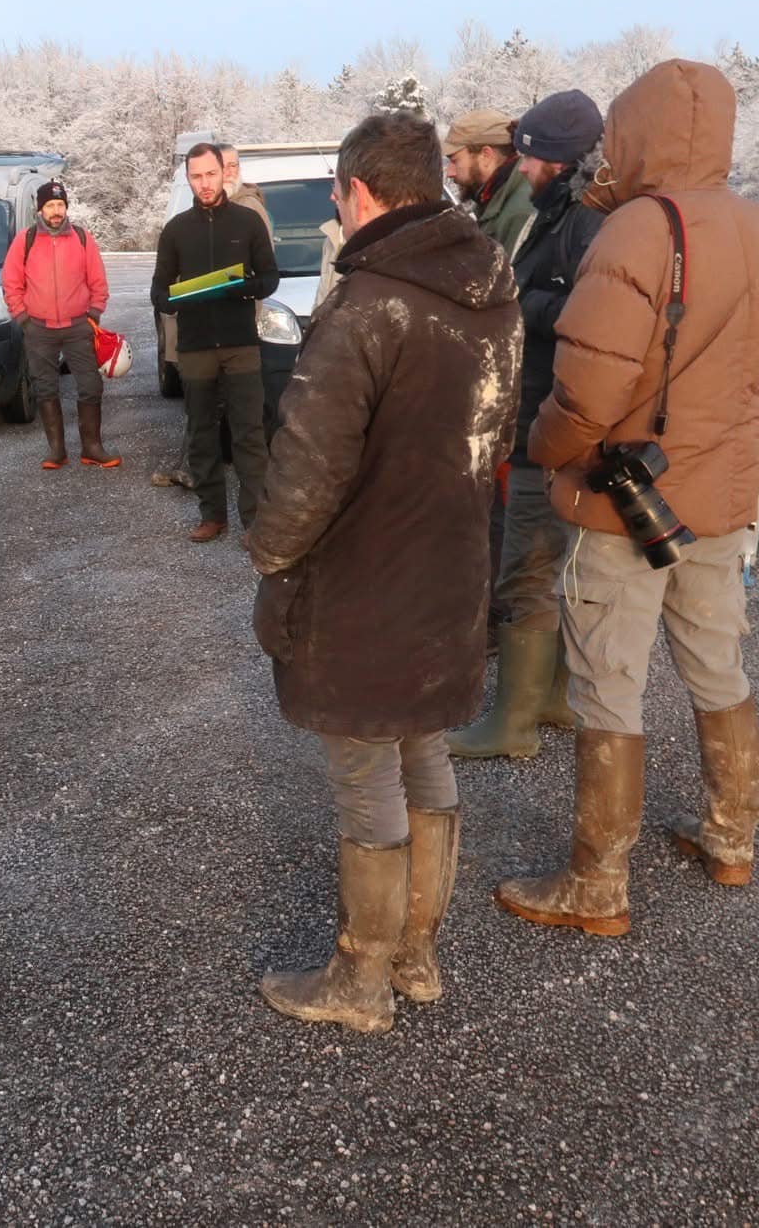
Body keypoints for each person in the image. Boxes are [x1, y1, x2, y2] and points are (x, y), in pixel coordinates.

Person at [496, 60, 759, 936]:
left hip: (622, 500)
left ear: (635, 132)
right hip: (722, 498)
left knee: (608, 681)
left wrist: (546, 452)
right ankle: (730, 837)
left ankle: (599, 884)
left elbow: (586, 390)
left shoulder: (637, 229)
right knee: (718, 664)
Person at [249, 110, 520, 1034]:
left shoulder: (370, 303)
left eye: (336, 190)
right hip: (452, 562)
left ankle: (361, 978)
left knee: (368, 764)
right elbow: (496, 430)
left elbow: (307, 465)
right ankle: (418, 952)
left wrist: (272, 555)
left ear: (358, 191)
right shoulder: (493, 286)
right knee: (425, 748)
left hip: (364, 578)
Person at [450, 90, 605, 760]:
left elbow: (588, 312)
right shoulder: (564, 213)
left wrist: (517, 299)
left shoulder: (583, 223)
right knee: (557, 567)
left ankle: (511, 722)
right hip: (553, 412)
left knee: (529, 566)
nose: (525, 166)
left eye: (535, 158)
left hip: (555, 420)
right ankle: (547, 697)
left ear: (560, 161)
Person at [152, 142, 278, 542]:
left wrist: (238, 289)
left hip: (241, 341)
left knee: (249, 434)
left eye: (210, 174)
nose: (204, 184)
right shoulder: (175, 230)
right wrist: (184, 296)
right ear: (188, 178)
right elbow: (158, 294)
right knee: (202, 433)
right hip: (195, 346)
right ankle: (212, 516)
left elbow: (270, 278)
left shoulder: (247, 222)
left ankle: (254, 521)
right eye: (196, 176)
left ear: (224, 172)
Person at [1, 179, 116, 469]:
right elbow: (11, 282)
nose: (56, 211)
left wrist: (94, 313)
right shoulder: (24, 240)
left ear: (66, 207)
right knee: (45, 388)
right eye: (50, 205)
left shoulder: (82, 238)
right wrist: (23, 318)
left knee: (90, 386)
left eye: (60, 205)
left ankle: (92, 447)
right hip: (38, 328)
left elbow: (98, 280)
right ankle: (56, 450)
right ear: (40, 209)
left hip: (79, 325)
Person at [444, 109, 532, 258]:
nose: (450, 173)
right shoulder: (494, 198)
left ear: (485, 155)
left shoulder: (519, 213)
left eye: (454, 161)